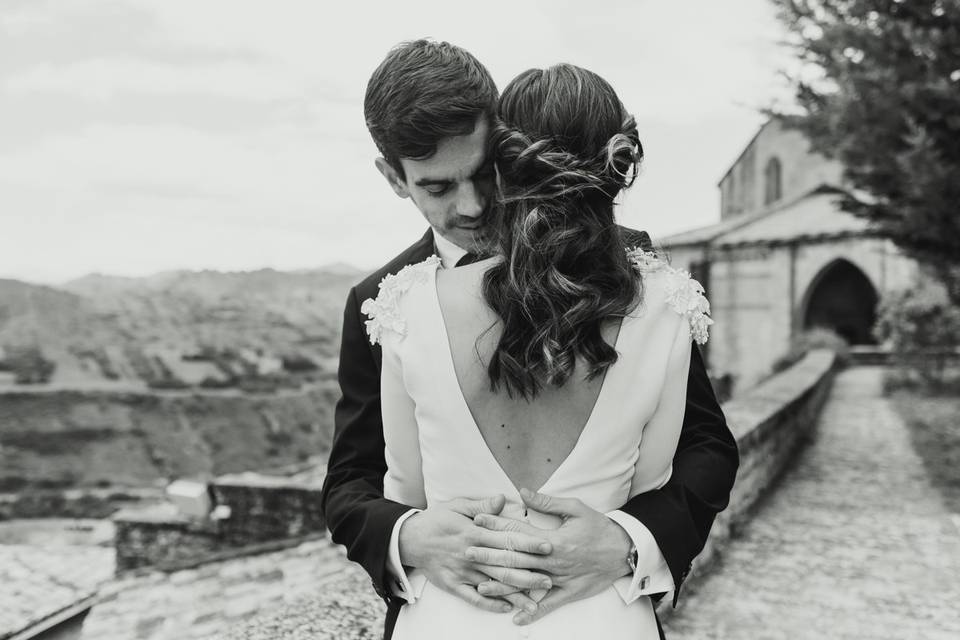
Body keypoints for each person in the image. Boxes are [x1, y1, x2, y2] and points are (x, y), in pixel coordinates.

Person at [319, 40, 738, 640]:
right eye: (438, 187)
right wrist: (408, 534)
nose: (470, 206)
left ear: (509, 147)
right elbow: (351, 480)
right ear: (394, 177)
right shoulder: (383, 303)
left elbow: (706, 446)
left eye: (484, 174)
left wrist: (629, 540)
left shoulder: (636, 267)